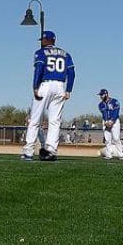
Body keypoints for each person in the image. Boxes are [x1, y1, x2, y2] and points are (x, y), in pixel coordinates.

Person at [21, 30, 75, 161]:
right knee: (55, 121)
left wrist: (35, 86)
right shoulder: (65, 54)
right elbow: (71, 72)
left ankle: (28, 151)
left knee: (35, 119)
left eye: (43, 40)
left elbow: (38, 69)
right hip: (60, 86)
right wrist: (69, 90)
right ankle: (51, 150)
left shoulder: (40, 53)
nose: (42, 42)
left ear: (47, 40)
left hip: (46, 84)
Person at [97, 89, 122, 159]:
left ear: (106, 94)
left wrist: (112, 121)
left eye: (102, 95)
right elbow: (104, 113)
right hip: (106, 121)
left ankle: (121, 154)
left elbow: (116, 111)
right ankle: (108, 154)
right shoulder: (100, 104)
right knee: (107, 139)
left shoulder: (115, 101)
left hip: (115, 121)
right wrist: (106, 122)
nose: (101, 96)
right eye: (100, 95)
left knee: (116, 138)